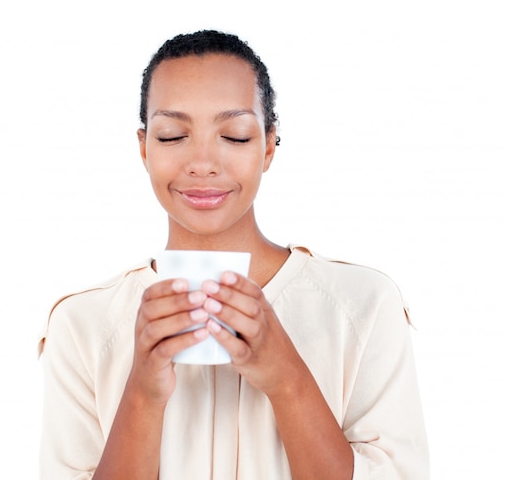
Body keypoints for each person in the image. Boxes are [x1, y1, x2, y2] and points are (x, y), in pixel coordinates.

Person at [38, 29, 429, 479]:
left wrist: (286, 377)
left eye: (236, 136)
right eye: (171, 136)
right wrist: (142, 394)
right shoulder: (83, 324)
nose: (203, 162)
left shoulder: (362, 305)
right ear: (144, 148)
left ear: (267, 146)